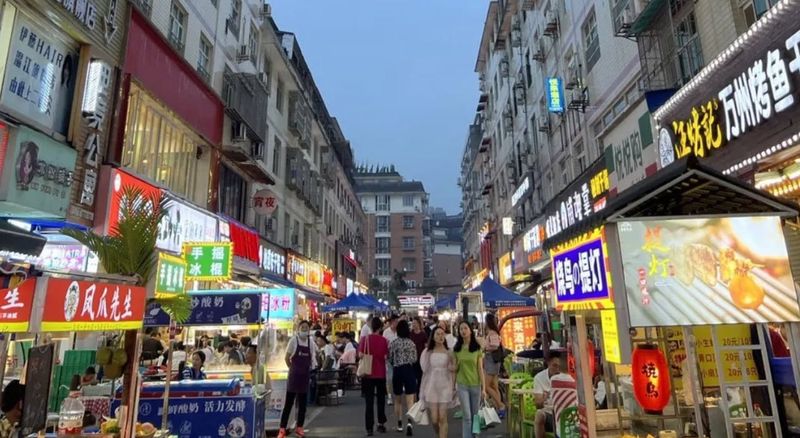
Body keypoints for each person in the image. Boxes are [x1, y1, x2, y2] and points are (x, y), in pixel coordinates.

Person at [278, 321, 317, 438]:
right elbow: (286, 357)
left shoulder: (311, 343)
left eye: (306, 328)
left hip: (305, 377)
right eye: (302, 327)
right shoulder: (293, 341)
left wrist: (312, 368)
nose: (305, 330)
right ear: (298, 328)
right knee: (288, 404)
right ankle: (282, 429)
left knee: (303, 405)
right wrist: (292, 369)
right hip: (294, 377)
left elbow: (313, 358)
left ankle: (300, 428)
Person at [420, 326, 456, 438]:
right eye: (438, 334)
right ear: (433, 336)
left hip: (445, 385)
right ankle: (439, 434)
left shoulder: (449, 352)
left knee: (442, 417)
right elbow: (425, 370)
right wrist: (423, 386)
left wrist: (453, 385)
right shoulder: (428, 352)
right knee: (434, 419)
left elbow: (454, 369)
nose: (440, 336)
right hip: (432, 386)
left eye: (442, 334)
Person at [360, 316, 390, 436]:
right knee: (381, 400)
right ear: (381, 327)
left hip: (368, 373)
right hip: (380, 373)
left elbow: (361, 355)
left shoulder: (365, 339)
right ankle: (381, 423)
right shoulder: (384, 341)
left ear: (371, 327)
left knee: (369, 401)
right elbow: (386, 356)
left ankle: (369, 427)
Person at [454, 321, 484, 438]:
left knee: (475, 415)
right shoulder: (457, 349)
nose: (463, 331)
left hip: (475, 384)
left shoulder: (476, 349)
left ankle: (475, 435)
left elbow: (480, 368)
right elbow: (455, 368)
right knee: (467, 416)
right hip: (462, 385)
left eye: (465, 328)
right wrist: (453, 385)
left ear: (470, 330)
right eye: (461, 329)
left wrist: (484, 388)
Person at [389, 320, 419, 435]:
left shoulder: (394, 343)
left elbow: (390, 359)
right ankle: (410, 423)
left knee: (398, 400)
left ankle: (399, 424)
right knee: (410, 400)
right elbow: (415, 359)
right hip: (409, 370)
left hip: (397, 370)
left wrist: (396, 362)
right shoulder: (411, 343)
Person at [534, 352, 566, 438]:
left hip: (564, 414)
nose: (557, 369)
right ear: (548, 363)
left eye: (559, 366)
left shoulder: (565, 377)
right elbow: (538, 404)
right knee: (539, 414)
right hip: (549, 414)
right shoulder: (539, 378)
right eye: (554, 365)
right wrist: (544, 398)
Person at [482, 313, 506, 417]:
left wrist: (485, 348)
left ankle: (501, 405)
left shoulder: (492, 333)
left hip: (492, 360)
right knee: (494, 385)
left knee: (487, 386)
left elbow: (495, 346)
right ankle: (499, 407)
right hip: (494, 360)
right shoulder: (494, 332)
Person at [410, 317, 428, 398]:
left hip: (421, 359)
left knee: (420, 378)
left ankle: (419, 396)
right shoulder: (410, 334)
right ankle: (413, 395)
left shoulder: (423, 334)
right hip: (412, 359)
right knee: (413, 378)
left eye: (415, 323)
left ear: (419, 324)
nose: (414, 325)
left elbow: (426, 346)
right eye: (413, 324)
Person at [383, 314, 399, 405]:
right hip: (389, 357)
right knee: (389, 377)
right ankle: (389, 396)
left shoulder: (400, 331)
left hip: (399, 358)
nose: (396, 323)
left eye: (397, 322)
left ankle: (396, 394)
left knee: (397, 377)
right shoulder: (386, 332)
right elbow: (384, 345)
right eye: (395, 321)